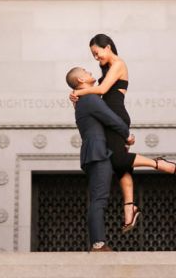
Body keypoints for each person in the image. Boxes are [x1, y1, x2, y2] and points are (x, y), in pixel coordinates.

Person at [69, 33, 176, 234]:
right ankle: (130, 209)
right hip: (111, 117)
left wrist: (78, 92)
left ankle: (158, 164)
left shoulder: (118, 64)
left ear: (108, 47)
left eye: (97, 53)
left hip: (117, 116)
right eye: (93, 55)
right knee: (120, 165)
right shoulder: (106, 68)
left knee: (118, 160)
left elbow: (102, 88)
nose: (96, 58)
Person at [66, 65, 132, 252]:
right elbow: (112, 119)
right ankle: (98, 244)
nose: (90, 73)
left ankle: (98, 242)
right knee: (99, 199)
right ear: (81, 80)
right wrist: (127, 135)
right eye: (86, 72)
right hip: (98, 153)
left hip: (96, 152)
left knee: (99, 198)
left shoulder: (82, 99)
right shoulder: (89, 99)